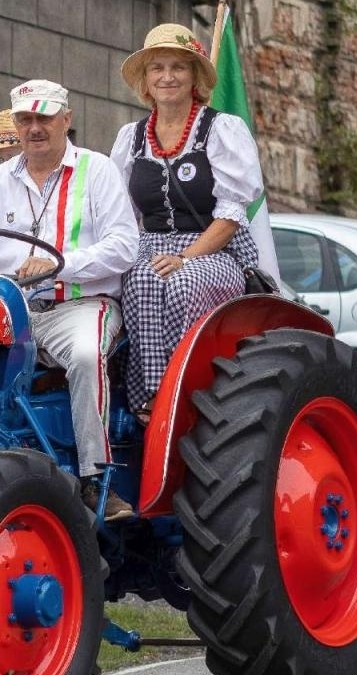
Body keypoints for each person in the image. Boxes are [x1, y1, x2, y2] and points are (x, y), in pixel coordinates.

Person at [0, 80, 140, 520]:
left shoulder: (98, 171)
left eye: (44, 118)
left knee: (88, 358)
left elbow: (124, 246)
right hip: (13, 312)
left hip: (81, 305)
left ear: (66, 120)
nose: (35, 128)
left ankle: (96, 481)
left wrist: (62, 265)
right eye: (26, 119)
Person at [110, 23, 269, 422]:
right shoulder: (130, 138)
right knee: (141, 278)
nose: (167, 77)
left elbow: (232, 215)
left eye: (179, 67)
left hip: (213, 246)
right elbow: (121, 212)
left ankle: (187, 392)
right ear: (145, 81)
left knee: (183, 282)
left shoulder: (221, 129)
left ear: (195, 77)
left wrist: (185, 256)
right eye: (157, 68)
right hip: (150, 245)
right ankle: (152, 394)